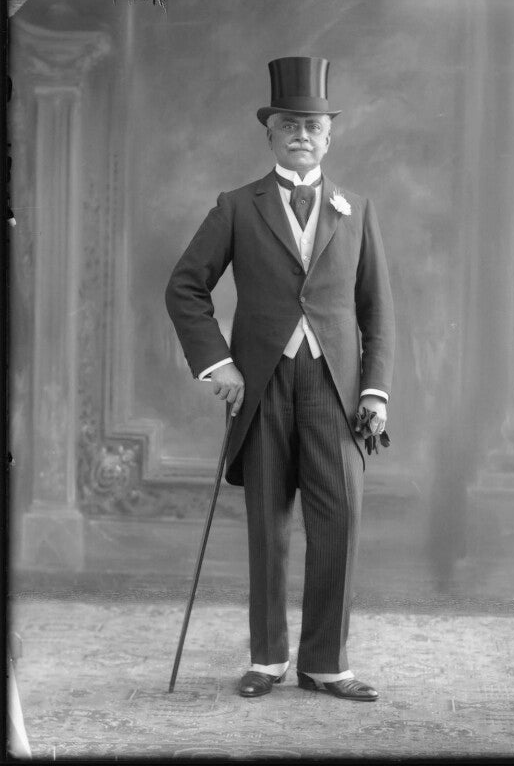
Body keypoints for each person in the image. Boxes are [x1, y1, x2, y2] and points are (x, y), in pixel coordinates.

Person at [166, 57, 395, 701]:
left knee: (338, 522)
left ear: (329, 136)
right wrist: (219, 364)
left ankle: (326, 664)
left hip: (334, 391)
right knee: (267, 526)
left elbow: (378, 311)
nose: (301, 135)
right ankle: (266, 658)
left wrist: (374, 391)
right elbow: (185, 288)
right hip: (261, 387)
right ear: (269, 133)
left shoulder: (356, 210)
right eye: (289, 124)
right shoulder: (238, 206)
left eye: (313, 125)